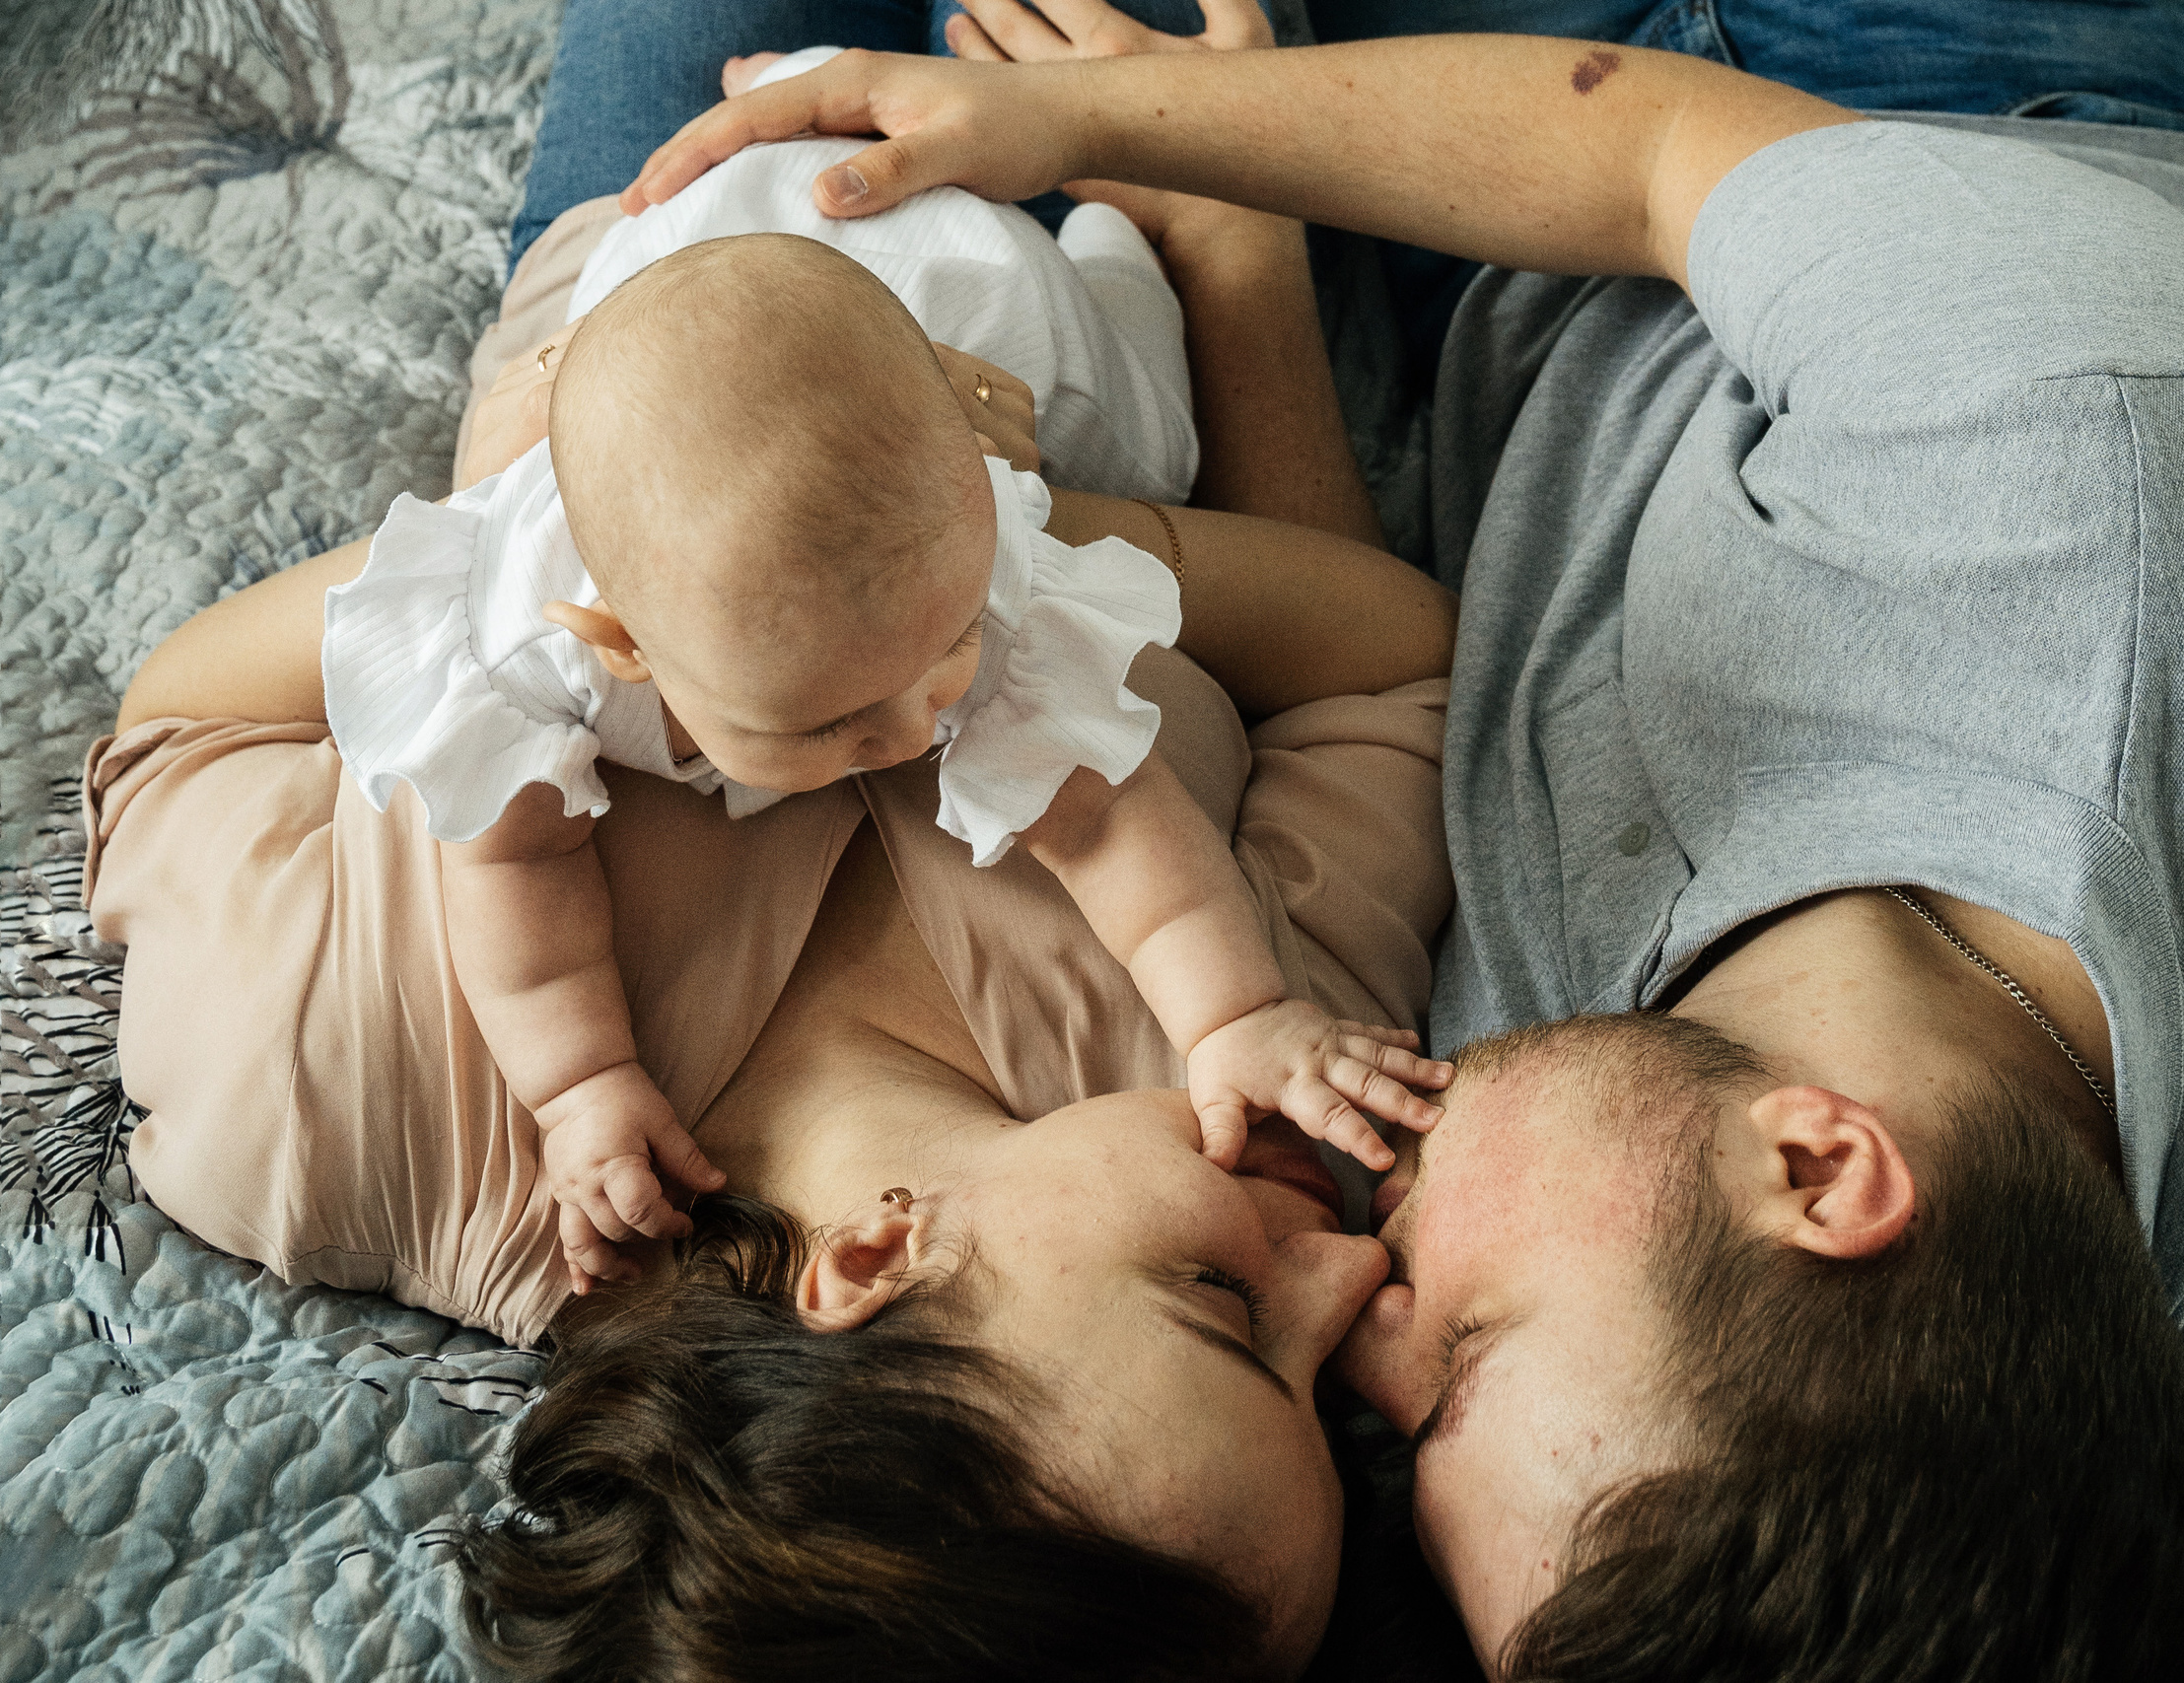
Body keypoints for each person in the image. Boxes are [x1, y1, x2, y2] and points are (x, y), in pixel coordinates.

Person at [630, 0, 2184, 1674]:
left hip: (1497, 323)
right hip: (1861, 90)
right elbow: (1640, 145)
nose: (1362, 1326)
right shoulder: (2095, 495)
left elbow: (1382, 695)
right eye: (1465, 1363)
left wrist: (1237, 257)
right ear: (1816, 1170)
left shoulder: (1719, 1244)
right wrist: (1095, 119)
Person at [90, 41, 1457, 1670]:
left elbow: (182, 728)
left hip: (654, 227)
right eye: (1330, 1396)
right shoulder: (1268, 1051)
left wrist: (578, 554)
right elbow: (1390, 661)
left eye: (1235, 1318)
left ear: (874, 1258)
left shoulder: (335, 1106)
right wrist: (1017, 522)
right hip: (1089, 302)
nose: (1355, 1272)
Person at [320, 97, 1448, 1286]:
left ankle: (1108, 258)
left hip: (975, 304)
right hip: (688, 254)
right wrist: (581, 1085)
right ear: (619, 646)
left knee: (1146, 445)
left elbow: (1111, 822)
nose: (913, 728)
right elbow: (512, 873)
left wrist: (1234, 1019)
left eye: (945, 656)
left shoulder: (966, 575)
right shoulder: (517, 654)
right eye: (825, 724)